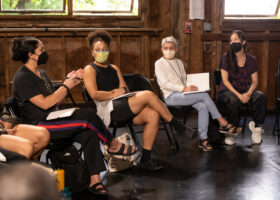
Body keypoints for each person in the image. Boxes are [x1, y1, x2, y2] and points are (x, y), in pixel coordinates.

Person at [11, 36, 137, 196]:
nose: (45, 52)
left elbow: (54, 98)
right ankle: (112, 144)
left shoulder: (41, 73)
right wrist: (66, 86)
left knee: (89, 133)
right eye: (41, 50)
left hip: (53, 117)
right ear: (31, 54)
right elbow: (44, 104)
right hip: (38, 125)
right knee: (87, 115)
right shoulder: (22, 77)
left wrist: (69, 82)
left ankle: (95, 180)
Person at [83, 30, 195, 170]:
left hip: (123, 105)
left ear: (109, 51)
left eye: (104, 49)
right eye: (98, 50)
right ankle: (177, 125)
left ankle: (146, 159)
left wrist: (120, 92)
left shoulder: (114, 68)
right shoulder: (90, 69)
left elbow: (124, 89)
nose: (101, 52)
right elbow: (94, 94)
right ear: (92, 53)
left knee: (153, 115)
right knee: (148, 94)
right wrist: (113, 93)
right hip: (108, 110)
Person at [155, 36, 241, 151]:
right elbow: (164, 84)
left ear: (176, 49)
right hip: (171, 96)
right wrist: (184, 88)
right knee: (204, 95)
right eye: (165, 48)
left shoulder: (179, 62)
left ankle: (203, 140)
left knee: (203, 106)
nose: (168, 50)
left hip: (183, 94)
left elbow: (184, 80)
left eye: (171, 48)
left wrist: (195, 86)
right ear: (161, 49)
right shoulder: (159, 63)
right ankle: (223, 123)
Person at [217, 30, 267, 145]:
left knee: (261, 97)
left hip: (245, 89)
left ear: (243, 42)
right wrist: (239, 95)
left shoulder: (251, 60)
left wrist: (248, 94)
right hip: (227, 91)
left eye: (235, 39)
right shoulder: (226, 58)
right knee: (234, 100)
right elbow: (225, 81)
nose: (232, 42)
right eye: (231, 40)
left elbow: (255, 81)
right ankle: (231, 131)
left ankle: (257, 128)